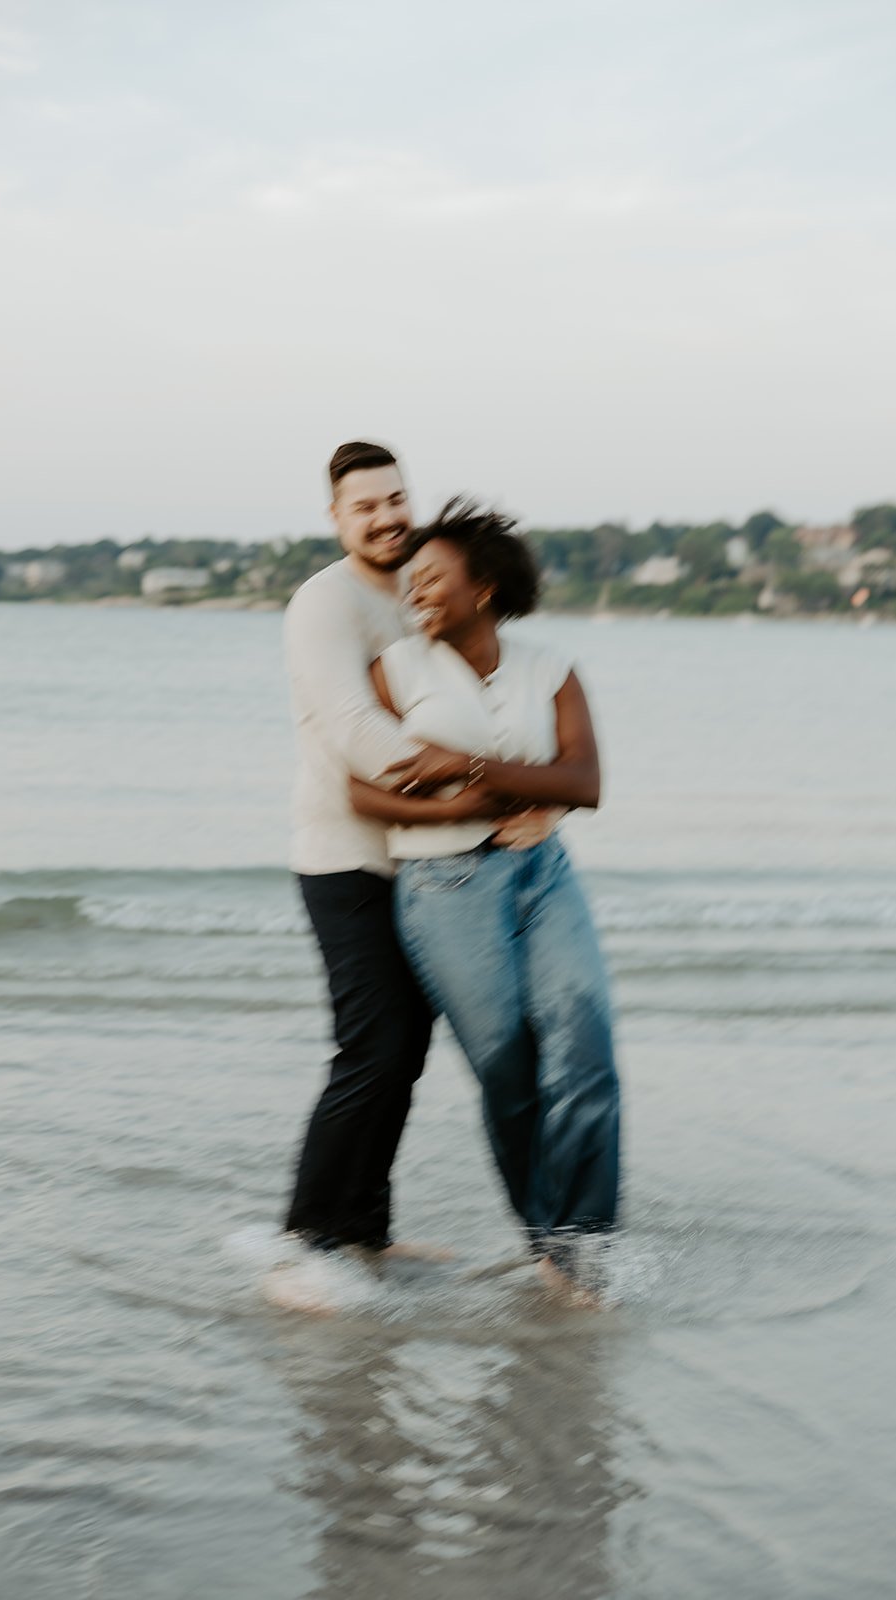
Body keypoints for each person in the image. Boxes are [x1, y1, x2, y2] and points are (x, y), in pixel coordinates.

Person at [276, 444, 553, 1311]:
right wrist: (492, 791)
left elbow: (479, 683)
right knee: (371, 1048)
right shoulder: (323, 603)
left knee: (404, 1052)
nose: (387, 516)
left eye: (396, 498)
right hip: (345, 856)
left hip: (427, 863)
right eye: (366, 506)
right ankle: (304, 1241)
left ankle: (365, 1233)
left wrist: (535, 791)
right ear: (336, 517)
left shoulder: (417, 587)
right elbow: (358, 731)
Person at [349, 499, 621, 1302]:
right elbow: (364, 793)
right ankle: (549, 1244)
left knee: (587, 1054)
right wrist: (473, 806)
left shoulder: (550, 667)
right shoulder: (394, 671)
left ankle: (584, 1253)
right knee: (510, 1073)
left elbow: (585, 783)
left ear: (486, 587)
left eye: (434, 577)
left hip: (544, 872)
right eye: (411, 580)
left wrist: (463, 769)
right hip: (444, 887)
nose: (416, 592)